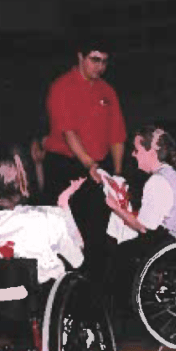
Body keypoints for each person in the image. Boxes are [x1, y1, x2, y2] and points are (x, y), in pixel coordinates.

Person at [103, 126, 176, 323]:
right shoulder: (170, 175)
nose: (133, 155)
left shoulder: (158, 181)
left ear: (152, 151)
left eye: (137, 150)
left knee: (121, 253)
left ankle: (120, 315)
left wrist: (116, 208)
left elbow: (144, 227)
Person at [0, 141, 84, 284]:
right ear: (23, 179)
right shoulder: (49, 219)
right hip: (31, 296)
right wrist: (65, 210)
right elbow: (77, 260)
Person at [44, 35, 127, 277]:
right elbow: (69, 133)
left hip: (97, 168)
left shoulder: (107, 91)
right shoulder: (61, 87)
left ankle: (96, 287)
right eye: (95, 60)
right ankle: (65, 285)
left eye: (104, 61)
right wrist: (90, 164)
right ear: (80, 56)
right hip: (66, 166)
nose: (100, 67)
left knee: (98, 234)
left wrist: (117, 175)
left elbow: (117, 135)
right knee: (67, 233)